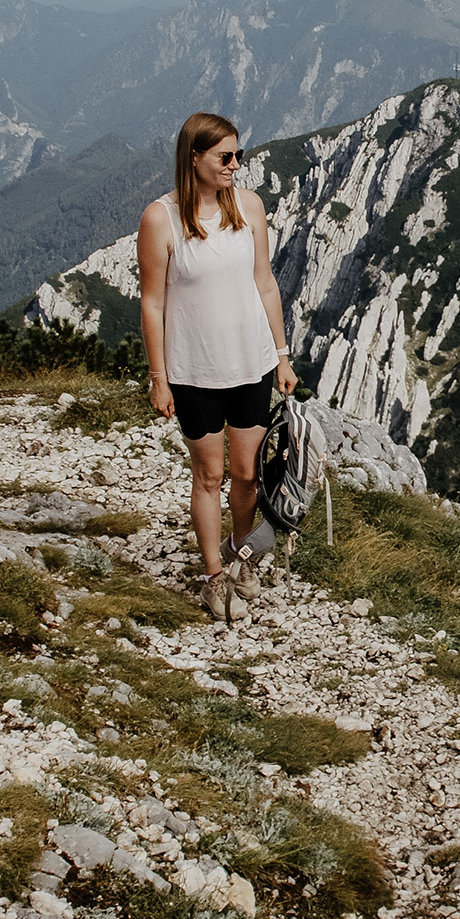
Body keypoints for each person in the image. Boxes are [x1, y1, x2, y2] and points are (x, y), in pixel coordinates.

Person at [138, 112, 298, 622]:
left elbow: (265, 283)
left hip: (250, 364)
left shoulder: (248, 207)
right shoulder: (161, 219)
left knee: (247, 474)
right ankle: (213, 577)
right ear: (194, 159)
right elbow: (152, 304)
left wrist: (281, 355)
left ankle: (242, 556)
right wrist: (158, 376)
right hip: (193, 372)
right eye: (224, 157)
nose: (235, 166)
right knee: (209, 476)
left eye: (238, 156)